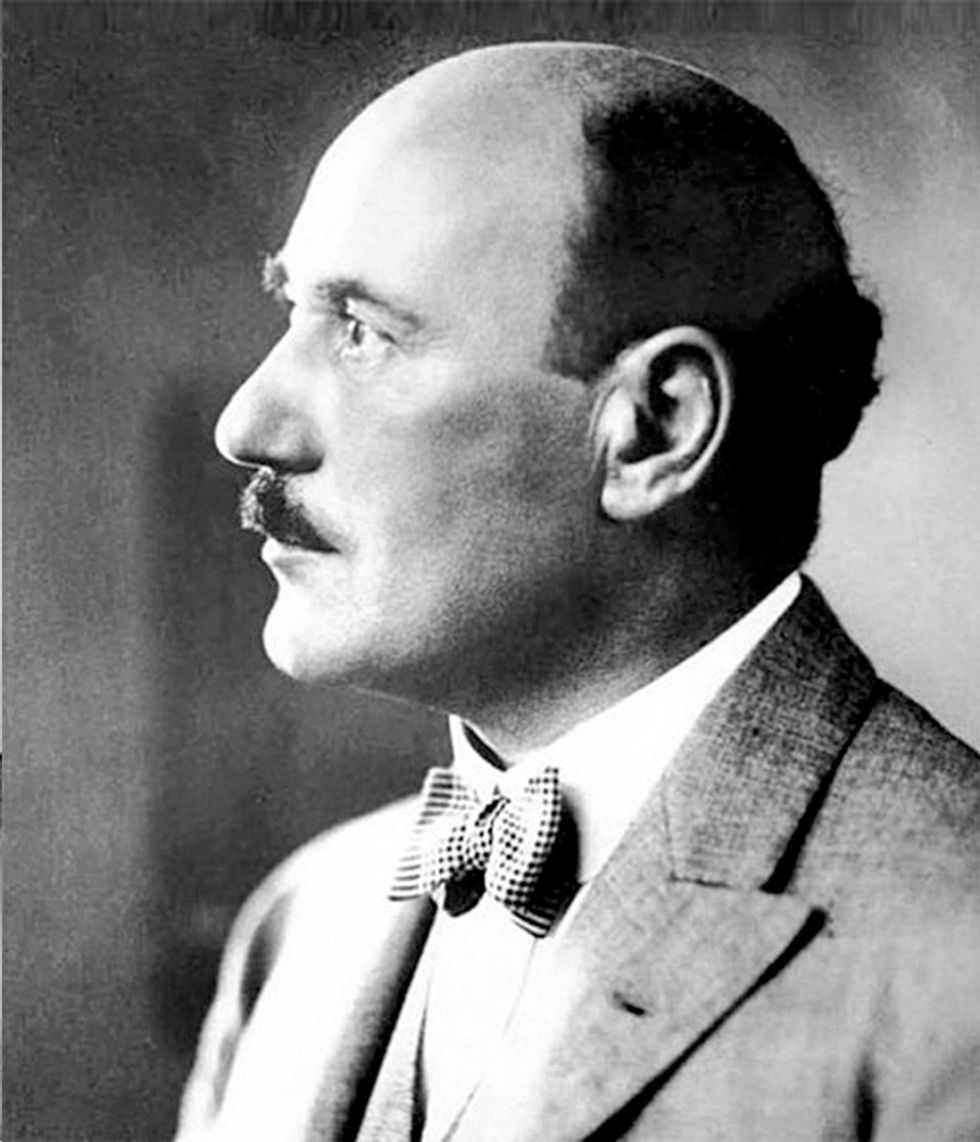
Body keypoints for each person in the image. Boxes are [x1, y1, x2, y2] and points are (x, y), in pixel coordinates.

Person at [176, 41, 980, 1142]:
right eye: (293, 313)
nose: (247, 424)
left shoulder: (955, 953)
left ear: (654, 429)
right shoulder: (301, 923)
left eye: (362, 332)